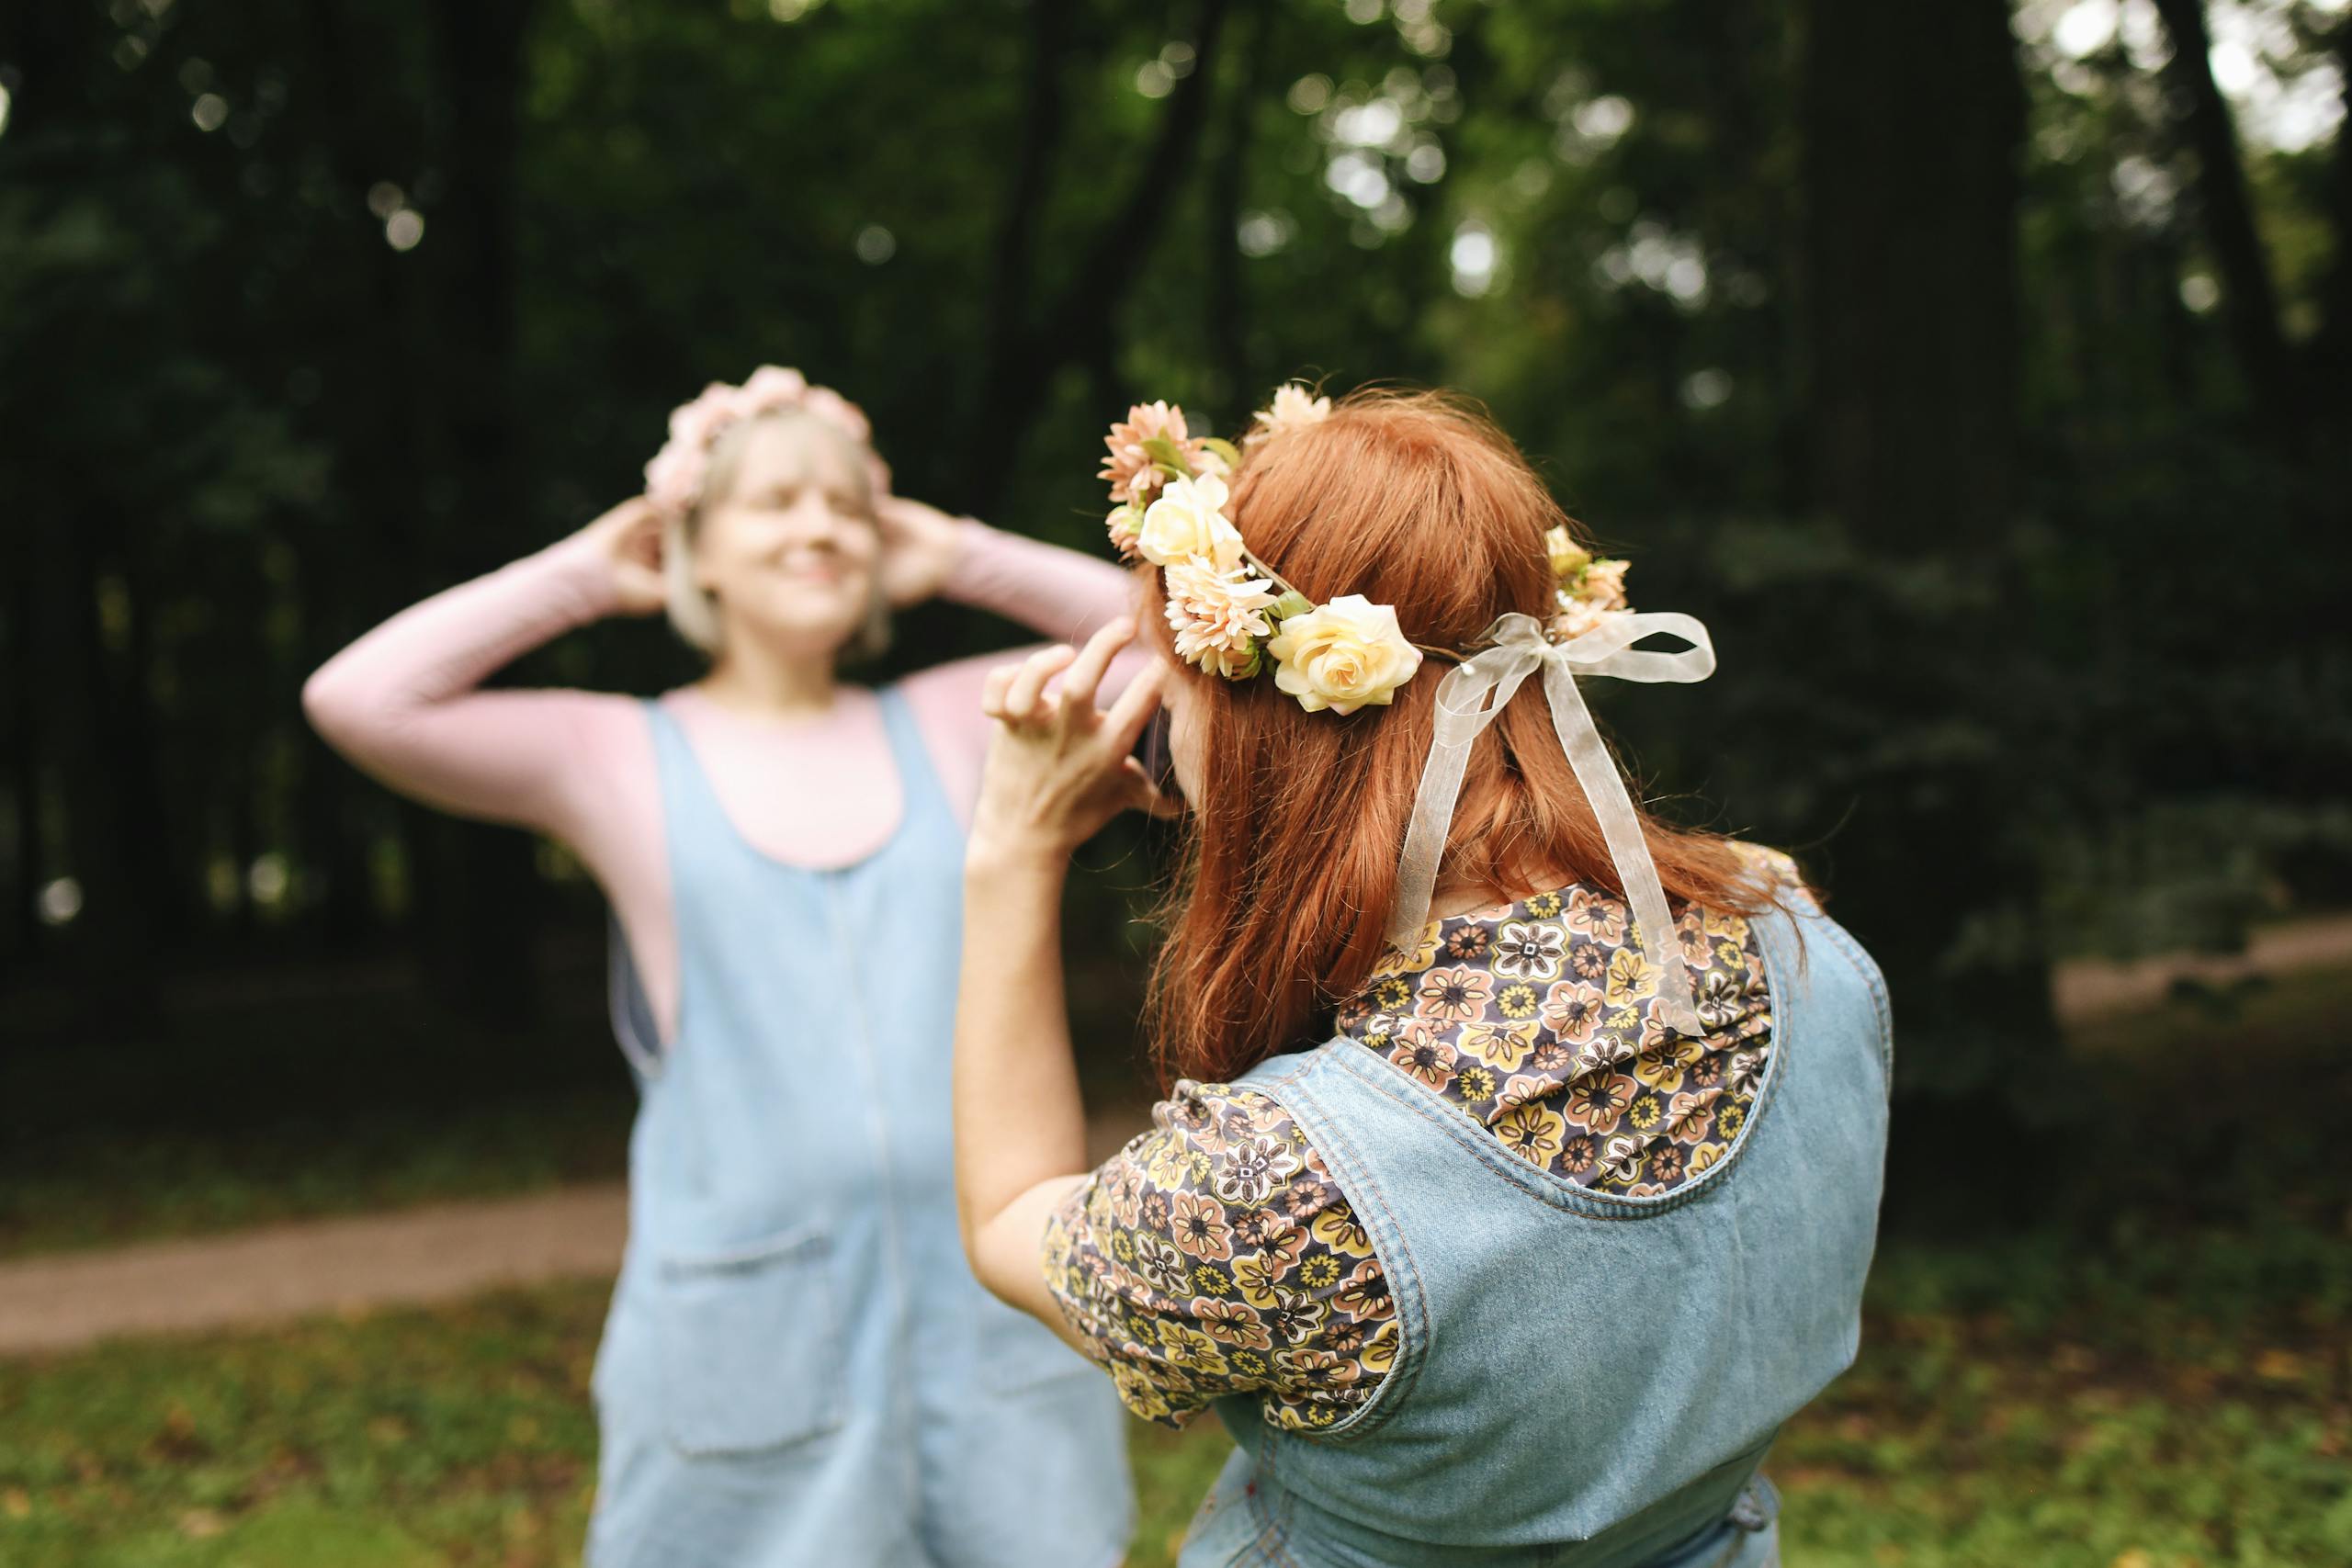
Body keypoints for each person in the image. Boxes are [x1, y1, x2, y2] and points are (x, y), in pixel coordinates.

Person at [952, 386, 1892, 1566]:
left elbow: (1004, 1220)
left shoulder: (1270, 1190)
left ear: (1253, 714)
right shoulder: (1794, 932)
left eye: (1172, 681)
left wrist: (1012, 848)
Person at [305, 367, 1135, 1568]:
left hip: (996, 1335)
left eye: (848, 507)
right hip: (746, 1340)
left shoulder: (969, 717)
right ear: (695, 550)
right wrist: (594, 567)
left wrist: (957, 549)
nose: (819, 527)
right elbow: (358, 695)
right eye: (773, 502)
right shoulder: (614, 753)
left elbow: (1174, 649)